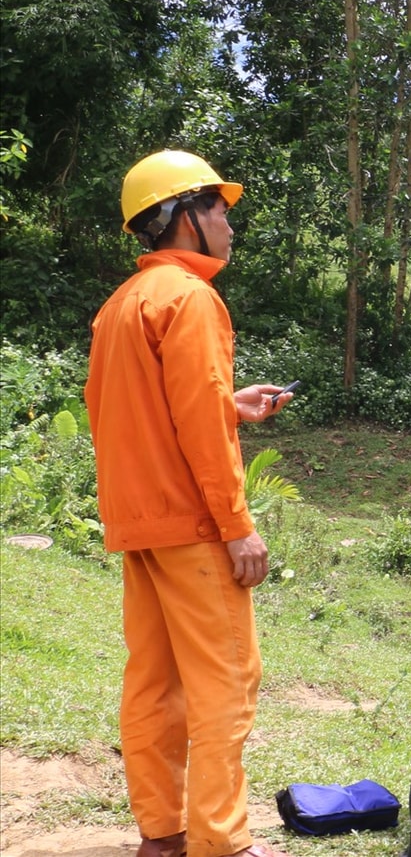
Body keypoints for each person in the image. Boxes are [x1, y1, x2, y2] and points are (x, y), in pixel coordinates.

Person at [86, 151, 295, 857]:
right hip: (195, 526)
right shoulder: (192, 298)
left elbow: (141, 412)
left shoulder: (119, 307)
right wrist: (238, 526)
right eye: (218, 210)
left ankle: (163, 835)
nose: (229, 225)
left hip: (139, 525)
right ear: (181, 216)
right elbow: (196, 430)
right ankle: (222, 841)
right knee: (224, 684)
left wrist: (228, 406)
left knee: (153, 682)